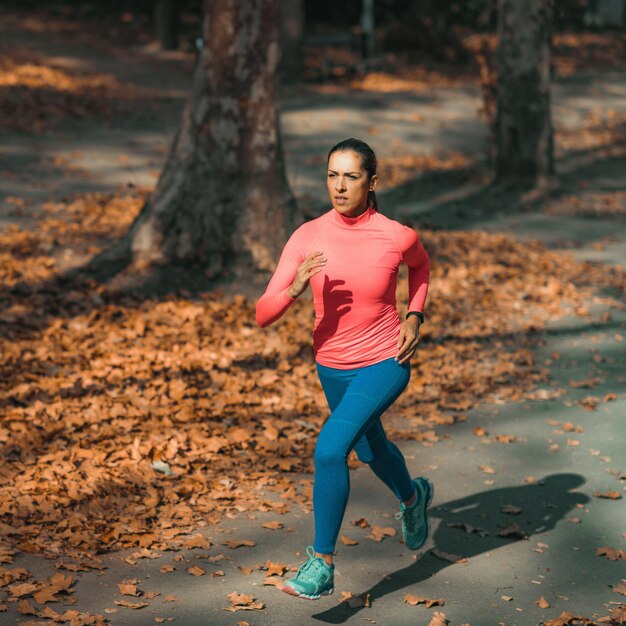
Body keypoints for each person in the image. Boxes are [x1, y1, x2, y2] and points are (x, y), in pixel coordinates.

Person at [255, 138, 433, 600]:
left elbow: (422, 268)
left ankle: (321, 563)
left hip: (385, 361)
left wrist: (414, 315)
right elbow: (262, 313)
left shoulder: (396, 234)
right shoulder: (307, 235)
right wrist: (294, 287)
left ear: (372, 182)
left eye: (351, 176)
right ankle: (413, 497)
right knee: (371, 448)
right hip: (331, 366)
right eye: (332, 175)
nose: (339, 186)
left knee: (331, 449)